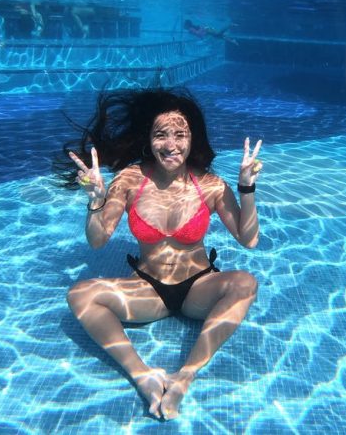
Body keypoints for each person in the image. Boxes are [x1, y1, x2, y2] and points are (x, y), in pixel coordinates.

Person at [54, 88, 263, 420]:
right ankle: (142, 376)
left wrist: (246, 188)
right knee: (80, 294)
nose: (171, 144)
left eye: (180, 134)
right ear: (148, 138)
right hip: (148, 289)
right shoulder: (130, 180)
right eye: (161, 134)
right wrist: (95, 199)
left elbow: (248, 239)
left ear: (193, 138)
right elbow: (98, 240)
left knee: (245, 283)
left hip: (198, 288)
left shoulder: (210, 185)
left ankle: (186, 376)